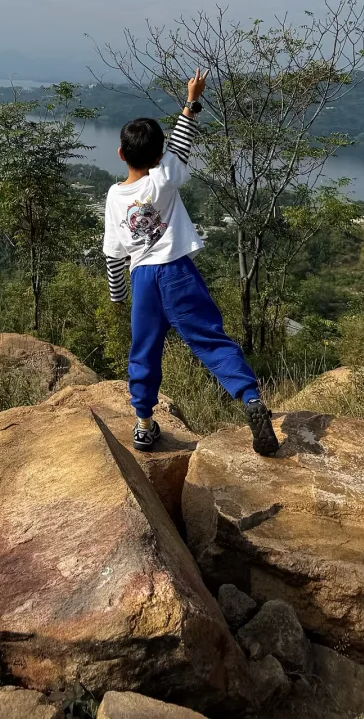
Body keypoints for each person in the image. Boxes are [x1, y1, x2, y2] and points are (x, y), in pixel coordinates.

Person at [104, 68, 280, 456]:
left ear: (120, 154)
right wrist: (191, 101)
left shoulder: (115, 197)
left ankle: (144, 424)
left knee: (144, 350)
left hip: (144, 281)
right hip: (179, 274)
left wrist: (119, 297)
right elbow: (181, 144)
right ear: (158, 155)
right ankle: (250, 399)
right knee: (210, 339)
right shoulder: (163, 179)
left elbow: (114, 254)